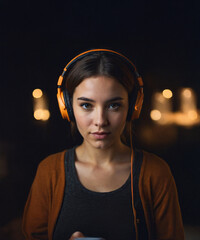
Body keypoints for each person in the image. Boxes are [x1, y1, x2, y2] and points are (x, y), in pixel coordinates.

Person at [22, 49, 185, 240]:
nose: (100, 121)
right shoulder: (49, 171)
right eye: (86, 105)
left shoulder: (156, 173)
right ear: (67, 107)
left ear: (133, 107)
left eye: (113, 105)